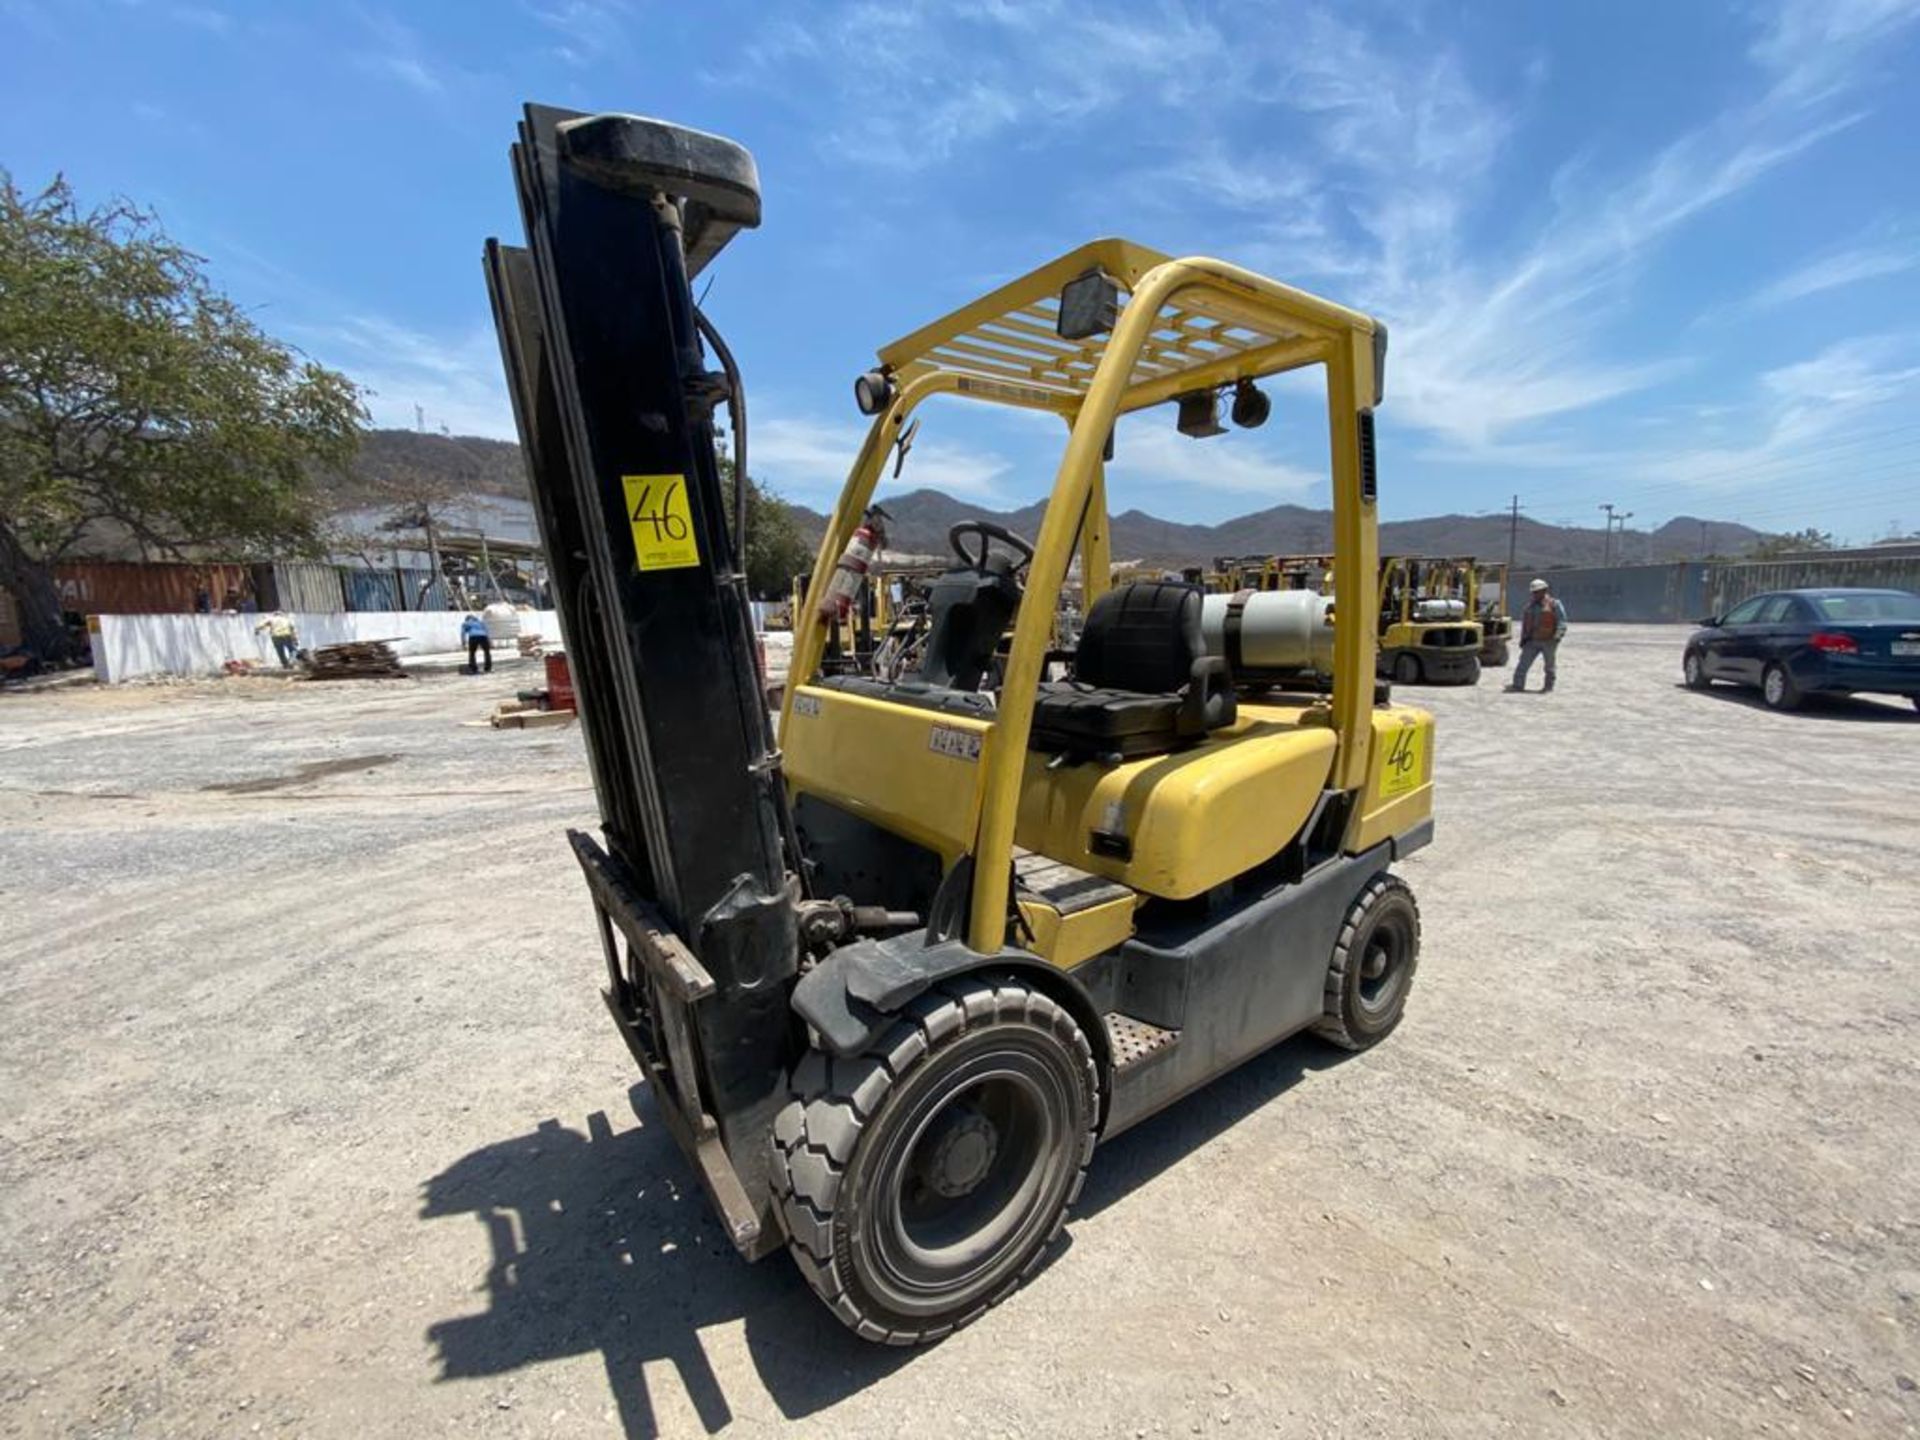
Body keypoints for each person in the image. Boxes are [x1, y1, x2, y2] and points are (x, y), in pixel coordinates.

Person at [1508, 579, 1568, 692]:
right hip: (1532, 641)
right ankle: (1518, 685)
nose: (1534, 594)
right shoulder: (1529, 607)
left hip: (1549, 640)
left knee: (1549, 666)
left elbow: (1562, 621)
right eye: (1533, 592)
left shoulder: (1554, 604)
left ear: (1544, 591)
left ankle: (1548, 687)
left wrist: (1558, 635)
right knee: (1523, 664)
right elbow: (1525, 625)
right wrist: (1523, 639)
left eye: (1537, 592)